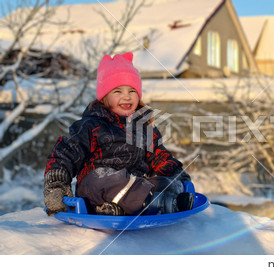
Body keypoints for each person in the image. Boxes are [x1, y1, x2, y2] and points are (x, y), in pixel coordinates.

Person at [43, 52, 193, 217]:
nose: (126, 97)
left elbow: (158, 156)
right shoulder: (91, 126)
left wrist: (176, 174)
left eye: (132, 91)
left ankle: (150, 203)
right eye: (117, 91)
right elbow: (65, 153)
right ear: (104, 97)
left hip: (136, 189)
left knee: (165, 182)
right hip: (96, 188)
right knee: (110, 179)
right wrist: (57, 184)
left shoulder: (143, 127)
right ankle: (160, 204)